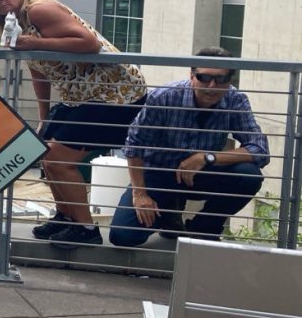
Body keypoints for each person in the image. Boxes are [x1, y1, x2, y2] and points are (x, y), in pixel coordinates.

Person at [0, 0, 146, 248]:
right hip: (82, 95)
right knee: (46, 151)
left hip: (115, 94)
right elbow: (39, 69)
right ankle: (65, 216)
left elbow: (88, 42)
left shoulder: (39, 10)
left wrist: (33, 42)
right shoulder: (15, 20)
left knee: (58, 159)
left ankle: (85, 229)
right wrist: (44, 117)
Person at [109, 48, 268, 246]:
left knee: (248, 175)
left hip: (202, 174)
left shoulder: (235, 100)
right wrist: (140, 194)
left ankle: (203, 229)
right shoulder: (164, 98)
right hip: (159, 174)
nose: (212, 86)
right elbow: (134, 145)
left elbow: (259, 148)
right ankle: (169, 213)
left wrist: (206, 157)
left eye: (221, 79)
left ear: (229, 80)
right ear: (192, 76)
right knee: (123, 236)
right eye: (204, 77)